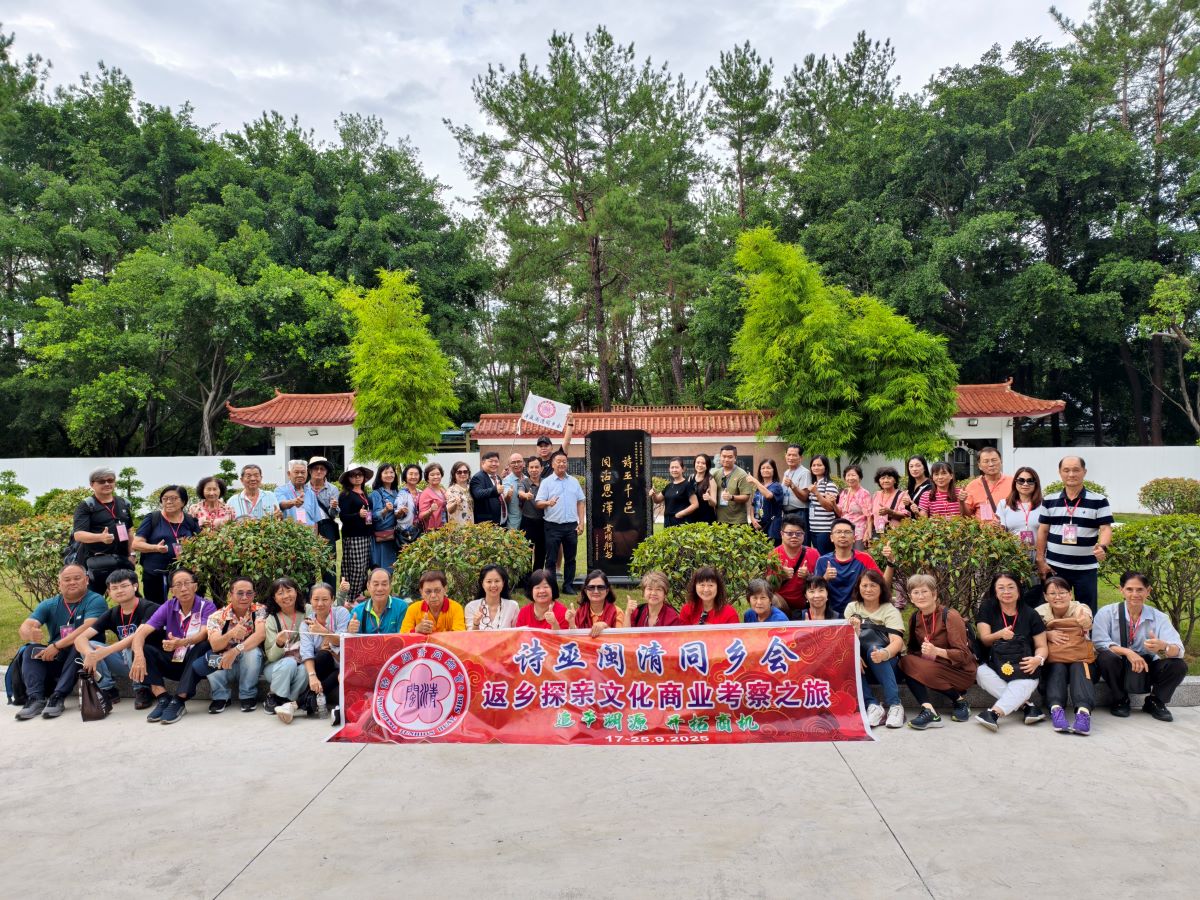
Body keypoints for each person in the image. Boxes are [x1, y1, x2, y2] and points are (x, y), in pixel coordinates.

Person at [13, 564, 108, 720]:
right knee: (31, 649)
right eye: (67, 579)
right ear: (59, 583)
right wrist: (30, 632)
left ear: (86, 580)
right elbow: (25, 626)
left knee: (79, 645)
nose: (72, 582)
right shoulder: (50, 604)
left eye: (77, 578)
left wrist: (57, 645)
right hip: (58, 657)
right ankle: (35, 698)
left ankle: (58, 697)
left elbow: (87, 627)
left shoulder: (95, 600)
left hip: (85, 658)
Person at [1092, 571, 1187, 722]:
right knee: (1106, 657)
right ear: (1121, 590)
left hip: (1146, 666)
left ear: (1148, 591)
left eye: (1140, 590)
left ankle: (1155, 701)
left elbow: (1179, 650)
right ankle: (1120, 699)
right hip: (1118, 664)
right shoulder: (1106, 613)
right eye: (1129, 589)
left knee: (1178, 665)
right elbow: (1098, 642)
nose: (1135, 594)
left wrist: (1164, 646)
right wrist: (1127, 652)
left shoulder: (1159, 617)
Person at [131, 569, 217, 723]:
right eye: (178, 585)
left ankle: (179, 700)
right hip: (174, 660)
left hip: (195, 663)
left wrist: (182, 642)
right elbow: (141, 633)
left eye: (187, 583)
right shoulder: (168, 606)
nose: (183, 588)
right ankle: (162, 697)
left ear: (195, 586)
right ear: (172, 591)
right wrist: (138, 656)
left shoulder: (207, 606)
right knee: (142, 648)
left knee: (203, 645)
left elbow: (204, 634)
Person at [72, 569, 159, 708]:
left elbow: (137, 636)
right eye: (114, 588)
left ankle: (142, 689)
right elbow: (80, 638)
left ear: (135, 586)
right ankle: (107, 690)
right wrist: (90, 654)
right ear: (109, 592)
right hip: (126, 661)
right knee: (90, 645)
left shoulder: (150, 608)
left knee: (132, 645)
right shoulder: (112, 613)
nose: (119, 591)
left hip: (151, 660)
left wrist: (105, 651)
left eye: (124, 586)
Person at [899, 574, 977, 730]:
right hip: (932, 667)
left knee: (909, 663)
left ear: (934, 594)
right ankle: (929, 711)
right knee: (906, 661)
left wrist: (937, 651)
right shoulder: (915, 618)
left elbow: (963, 655)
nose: (920, 596)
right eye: (916, 593)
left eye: (924, 591)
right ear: (911, 597)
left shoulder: (950, 615)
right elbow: (913, 649)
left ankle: (959, 700)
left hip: (959, 671)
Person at [1036, 456, 1113, 613]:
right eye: (1066, 470)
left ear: (1084, 472)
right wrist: (1040, 559)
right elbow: (1043, 530)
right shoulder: (1049, 500)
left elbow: (1105, 528)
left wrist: (1103, 546)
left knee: (1086, 611)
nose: (1071, 474)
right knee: (1054, 609)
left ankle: (1085, 630)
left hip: (1086, 568)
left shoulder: (1099, 500)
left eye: (1076, 470)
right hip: (1055, 567)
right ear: (1060, 473)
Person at [974, 573, 1049, 731]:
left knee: (1022, 682)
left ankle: (994, 713)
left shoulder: (1031, 614)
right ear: (995, 591)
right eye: (1001, 588)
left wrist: (1038, 660)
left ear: (1019, 590)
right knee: (980, 672)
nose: (1006, 592)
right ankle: (1027, 706)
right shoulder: (988, 608)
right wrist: (999, 634)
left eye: (1010, 587)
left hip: (1024, 666)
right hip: (995, 664)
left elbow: (1042, 646)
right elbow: (985, 639)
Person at [189, 577, 267, 714]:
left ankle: (248, 695)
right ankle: (220, 696)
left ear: (254, 595)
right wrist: (231, 634)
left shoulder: (259, 610)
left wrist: (235, 650)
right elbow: (215, 645)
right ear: (230, 595)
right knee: (213, 657)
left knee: (252, 652)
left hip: (251, 666)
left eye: (249, 593)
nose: (245, 597)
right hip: (225, 666)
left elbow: (260, 635)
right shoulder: (217, 616)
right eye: (240, 593)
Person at [845, 570, 906, 729]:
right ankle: (873, 705)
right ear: (858, 588)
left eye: (873, 585)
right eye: (864, 585)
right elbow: (845, 640)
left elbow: (897, 641)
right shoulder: (852, 608)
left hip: (887, 664)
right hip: (862, 665)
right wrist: (853, 655)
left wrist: (884, 653)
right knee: (846, 658)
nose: (868, 589)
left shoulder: (890, 610)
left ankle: (895, 705)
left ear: (881, 588)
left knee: (874, 649)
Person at [1035, 577, 1095, 735]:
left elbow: (1087, 619)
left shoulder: (1080, 607)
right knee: (1057, 666)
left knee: (1079, 666)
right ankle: (1056, 710)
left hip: (1080, 658)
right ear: (1045, 596)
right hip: (1054, 659)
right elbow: (1030, 634)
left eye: (1062, 592)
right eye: (1052, 593)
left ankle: (1083, 713)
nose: (1058, 597)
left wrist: (1084, 620)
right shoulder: (1039, 612)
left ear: (1070, 594)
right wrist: (1047, 634)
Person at [71, 466, 136, 594]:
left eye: (110, 480)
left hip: (122, 561)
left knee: (128, 596)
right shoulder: (87, 506)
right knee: (94, 598)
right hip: (97, 563)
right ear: (92, 484)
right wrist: (100, 537)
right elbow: (78, 535)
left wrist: (132, 555)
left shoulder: (123, 503)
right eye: (101, 481)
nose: (107, 484)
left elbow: (129, 531)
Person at [131, 485, 200, 606]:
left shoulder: (190, 520)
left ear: (183, 502)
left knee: (184, 604)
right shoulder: (153, 518)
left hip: (183, 574)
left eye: (173, 498)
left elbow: (199, 543)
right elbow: (136, 544)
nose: (168, 501)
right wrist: (155, 548)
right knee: (155, 607)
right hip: (155, 573)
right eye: (165, 498)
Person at [301, 582, 352, 725]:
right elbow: (306, 652)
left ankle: (299, 702)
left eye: (325, 599)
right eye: (316, 599)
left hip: (342, 663)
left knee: (329, 660)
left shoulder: (341, 613)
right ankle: (307, 699)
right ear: (310, 600)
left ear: (332, 599)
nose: (320, 604)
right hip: (323, 667)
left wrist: (323, 632)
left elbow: (342, 641)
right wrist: (312, 676)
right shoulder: (306, 623)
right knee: (322, 655)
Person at [536, 451, 586, 595]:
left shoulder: (574, 481)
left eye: (564, 461)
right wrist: (548, 503)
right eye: (558, 461)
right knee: (551, 559)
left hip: (571, 526)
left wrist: (581, 522)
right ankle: (551, 587)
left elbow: (580, 502)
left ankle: (568, 586)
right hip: (552, 526)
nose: (562, 464)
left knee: (571, 558)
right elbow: (538, 503)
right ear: (552, 464)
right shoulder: (546, 482)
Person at [262, 577, 310, 723]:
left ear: (296, 592)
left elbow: (328, 610)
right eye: (280, 593)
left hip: (301, 663)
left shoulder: (308, 610)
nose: (286, 596)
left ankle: (286, 703)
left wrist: (342, 594)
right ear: (274, 598)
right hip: (276, 668)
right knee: (289, 663)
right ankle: (274, 696)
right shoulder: (272, 619)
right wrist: (279, 643)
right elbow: (271, 657)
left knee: (305, 669)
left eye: (289, 591)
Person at [814, 518, 881, 617]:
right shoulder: (823, 561)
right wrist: (825, 578)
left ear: (854, 538)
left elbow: (881, 583)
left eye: (847, 532)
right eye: (838, 532)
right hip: (829, 612)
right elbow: (814, 591)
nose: (843, 535)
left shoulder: (864, 559)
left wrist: (890, 564)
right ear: (831, 537)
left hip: (859, 612)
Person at [995, 467, 1045, 570]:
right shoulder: (1004, 504)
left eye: (1030, 481)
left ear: (1036, 484)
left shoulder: (1044, 505)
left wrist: (1041, 558)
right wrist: (996, 527)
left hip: (1039, 556)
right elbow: (1001, 532)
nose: (1025, 484)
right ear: (1015, 483)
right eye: (1021, 480)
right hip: (1012, 556)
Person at [338, 465, 375, 599]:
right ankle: (350, 596)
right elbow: (343, 517)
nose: (357, 477)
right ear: (348, 478)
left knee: (364, 566)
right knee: (355, 567)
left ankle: (358, 592)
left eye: (360, 474)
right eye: (353, 475)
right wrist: (357, 515)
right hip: (353, 536)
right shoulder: (345, 495)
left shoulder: (364, 493)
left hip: (366, 534)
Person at [773, 515, 819, 618]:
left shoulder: (813, 554)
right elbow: (768, 587)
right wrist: (780, 576)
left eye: (798, 533)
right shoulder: (773, 555)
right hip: (781, 606)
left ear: (804, 535)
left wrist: (808, 576)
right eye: (789, 533)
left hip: (806, 605)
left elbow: (821, 584)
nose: (794, 536)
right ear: (782, 534)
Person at [304, 456, 340, 585]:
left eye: (322, 469)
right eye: (316, 468)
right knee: (308, 561)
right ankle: (309, 594)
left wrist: (333, 507)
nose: (319, 471)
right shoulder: (303, 488)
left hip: (326, 526)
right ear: (310, 471)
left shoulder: (332, 489)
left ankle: (330, 593)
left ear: (326, 472)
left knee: (329, 562)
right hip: (308, 527)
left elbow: (333, 514)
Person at [347, 568, 410, 635]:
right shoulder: (357, 611)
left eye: (384, 584)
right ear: (368, 586)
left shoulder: (401, 607)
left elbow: (403, 637)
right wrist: (351, 631)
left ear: (390, 586)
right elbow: (353, 639)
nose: (379, 589)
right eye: (376, 584)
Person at [400, 570, 466, 633]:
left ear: (445, 590)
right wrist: (416, 630)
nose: (433, 595)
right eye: (428, 591)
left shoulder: (456, 608)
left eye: (437, 590)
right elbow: (403, 636)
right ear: (421, 592)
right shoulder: (413, 609)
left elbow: (459, 636)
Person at [963, 446, 1013, 524]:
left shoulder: (1013, 483)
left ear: (1001, 461)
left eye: (994, 460)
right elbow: (967, 515)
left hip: (1010, 530)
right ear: (979, 466)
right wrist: (961, 502)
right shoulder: (972, 486)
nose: (991, 464)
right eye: (986, 461)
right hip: (983, 531)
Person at [802, 455, 839, 554]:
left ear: (825, 467)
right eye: (813, 465)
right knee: (817, 557)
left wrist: (816, 493)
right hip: (813, 528)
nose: (816, 467)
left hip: (825, 529)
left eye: (819, 465)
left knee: (825, 556)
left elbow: (830, 507)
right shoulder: (814, 484)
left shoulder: (829, 484)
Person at [465, 565, 520, 630]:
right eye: (489, 581)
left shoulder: (513, 606)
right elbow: (470, 635)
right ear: (482, 584)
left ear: (503, 583)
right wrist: (476, 624)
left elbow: (517, 633)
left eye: (497, 581)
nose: (493, 585)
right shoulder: (471, 607)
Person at [369, 464, 401, 572]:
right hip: (382, 538)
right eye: (386, 472)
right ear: (380, 475)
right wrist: (385, 510)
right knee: (382, 570)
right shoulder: (376, 493)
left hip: (395, 537)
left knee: (394, 570)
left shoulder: (397, 492)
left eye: (391, 472)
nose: (389, 475)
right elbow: (373, 515)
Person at [651, 457, 699, 528]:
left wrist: (681, 514)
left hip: (681, 522)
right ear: (669, 469)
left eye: (676, 467)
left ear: (683, 469)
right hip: (668, 522)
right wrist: (653, 494)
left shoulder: (687, 485)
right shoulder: (669, 486)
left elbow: (695, 504)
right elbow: (657, 500)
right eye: (672, 467)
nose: (674, 470)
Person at [518, 457, 547, 573]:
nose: (534, 470)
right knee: (526, 552)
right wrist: (525, 495)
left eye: (536, 467)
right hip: (527, 522)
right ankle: (526, 579)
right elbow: (520, 492)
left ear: (541, 468)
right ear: (527, 469)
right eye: (531, 467)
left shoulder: (546, 482)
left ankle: (537, 577)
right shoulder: (523, 482)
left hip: (543, 522)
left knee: (541, 552)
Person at [748, 458, 785, 544]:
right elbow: (753, 505)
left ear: (774, 470)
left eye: (768, 468)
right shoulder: (758, 487)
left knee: (772, 551)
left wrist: (755, 481)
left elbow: (768, 495)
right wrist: (753, 519)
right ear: (760, 471)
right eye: (763, 468)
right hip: (758, 526)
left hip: (772, 527)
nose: (765, 470)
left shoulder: (776, 486)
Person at [713, 445, 752, 526]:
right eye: (724, 456)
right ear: (720, 457)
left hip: (737, 521)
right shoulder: (716, 474)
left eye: (730, 457)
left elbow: (746, 497)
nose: (726, 459)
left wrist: (731, 497)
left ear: (735, 458)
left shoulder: (742, 474)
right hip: (720, 519)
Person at [573, 570, 620, 636]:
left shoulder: (617, 612)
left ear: (607, 591)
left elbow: (621, 638)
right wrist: (571, 622)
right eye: (591, 587)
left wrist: (606, 627)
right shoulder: (579, 612)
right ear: (586, 591)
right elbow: (575, 638)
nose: (596, 591)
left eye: (600, 587)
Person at [836, 464, 872, 549]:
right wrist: (833, 503)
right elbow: (840, 513)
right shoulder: (844, 492)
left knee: (858, 554)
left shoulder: (864, 493)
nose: (850, 478)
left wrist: (868, 533)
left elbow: (869, 516)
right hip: (844, 530)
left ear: (860, 477)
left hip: (859, 531)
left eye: (853, 475)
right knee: (845, 554)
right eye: (848, 475)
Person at [470, 451, 510, 526]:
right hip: (487, 523)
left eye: (496, 461)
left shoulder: (497, 477)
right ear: (483, 463)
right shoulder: (478, 477)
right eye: (491, 461)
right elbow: (478, 494)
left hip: (501, 520)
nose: (494, 464)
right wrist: (495, 490)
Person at [779, 444, 812, 533]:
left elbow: (804, 497)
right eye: (789, 455)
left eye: (794, 455)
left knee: (800, 539)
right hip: (786, 513)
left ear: (800, 458)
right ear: (785, 456)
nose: (791, 458)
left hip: (799, 513)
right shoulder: (786, 472)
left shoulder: (805, 473)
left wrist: (792, 486)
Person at [870, 466, 908, 540]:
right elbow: (871, 517)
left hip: (895, 535)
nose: (886, 480)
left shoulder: (902, 495)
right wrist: (868, 533)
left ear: (895, 480)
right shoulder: (876, 495)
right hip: (877, 534)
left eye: (889, 478)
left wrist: (890, 512)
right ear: (879, 481)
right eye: (882, 478)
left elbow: (905, 516)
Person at [687, 454, 718, 524]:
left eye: (703, 463)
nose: (700, 465)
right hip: (692, 515)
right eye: (698, 462)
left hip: (706, 517)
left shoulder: (711, 480)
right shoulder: (691, 477)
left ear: (707, 465)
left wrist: (709, 498)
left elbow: (714, 504)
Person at [275, 460, 309, 524]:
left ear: (307, 474)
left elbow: (315, 519)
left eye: (303, 472)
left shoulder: (311, 492)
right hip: (291, 530)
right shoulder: (280, 490)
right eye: (296, 472)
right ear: (289, 474)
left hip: (310, 530)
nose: (300, 475)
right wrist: (293, 502)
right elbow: (281, 504)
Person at [418, 462, 450, 532]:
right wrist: (430, 510)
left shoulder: (442, 490)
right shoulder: (425, 493)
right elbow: (421, 516)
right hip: (433, 531)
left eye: (438, 474)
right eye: (432, 475)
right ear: (427, 478)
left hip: (445, 527)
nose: (436, 477)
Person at [503, 453, 526, 530]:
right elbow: (506, 498)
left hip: (528, 519)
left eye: (519, 461)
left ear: (524, 463)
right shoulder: (506, 480)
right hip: (514, 521)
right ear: (509, 465)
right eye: (513, 462)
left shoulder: (527, 479)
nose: (516, 464)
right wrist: (508, 495)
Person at [446, 461, 473, 526]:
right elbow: (449, 510)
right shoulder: (451, 490)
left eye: (465, 472)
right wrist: (455, 503)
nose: (463, 474)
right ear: (454, 474)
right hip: (458, 528)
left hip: (471, 526)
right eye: (459, 472)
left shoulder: (471, 488)